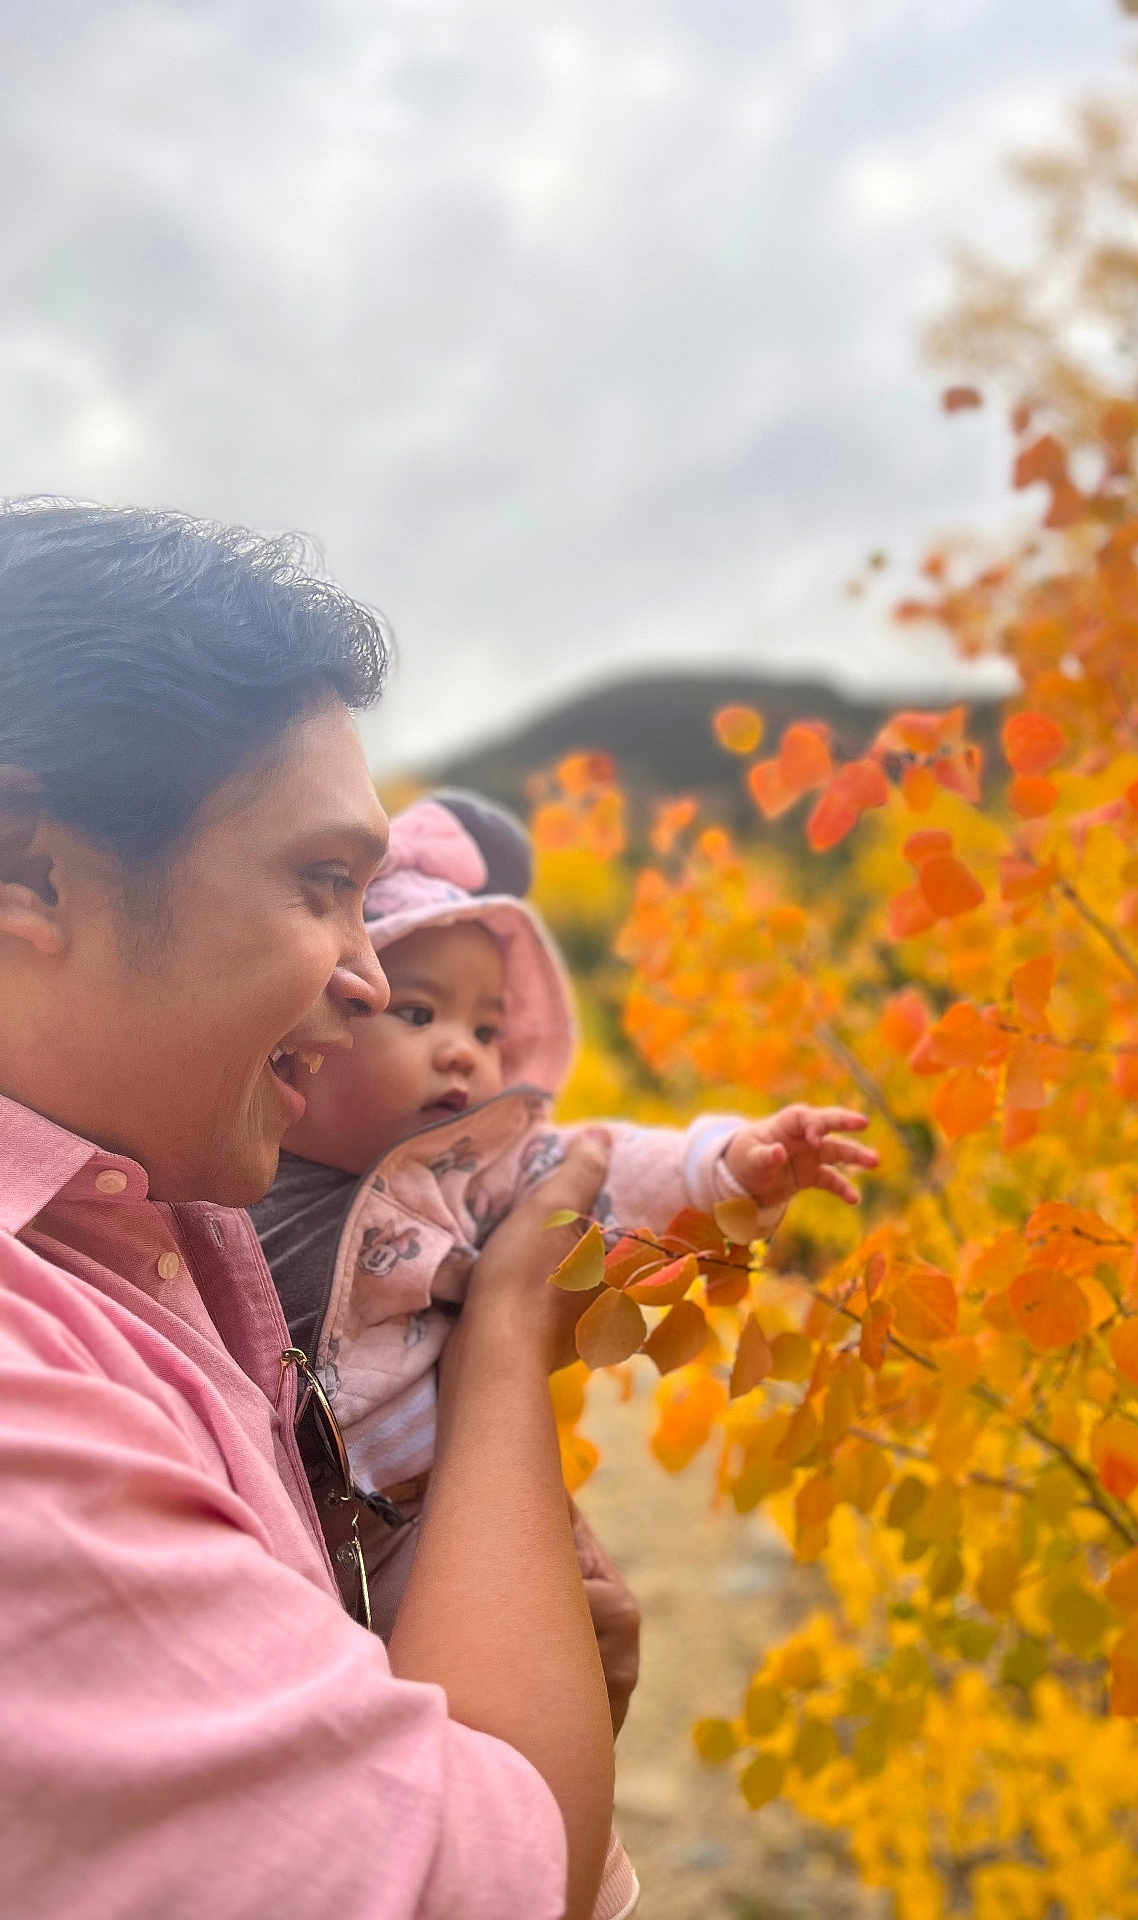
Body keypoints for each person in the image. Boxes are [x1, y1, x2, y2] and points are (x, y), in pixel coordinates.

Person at [0, 500, 619, 1919]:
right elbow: (504, 1869)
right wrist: (505, 1329)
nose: (365, 970)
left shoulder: (150, 1234)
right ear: (31, 867)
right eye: (325, 885)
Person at [251, 789, 878, 1631]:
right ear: (318, 1020)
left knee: (514, 1647)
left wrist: (728, 1161)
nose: (461, 1053)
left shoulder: (476, 1166)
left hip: (437, 1505)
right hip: (282, 1532)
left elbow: (606, 1159)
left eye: (487, 1031)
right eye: (419, 1013)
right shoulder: (225, 1174)